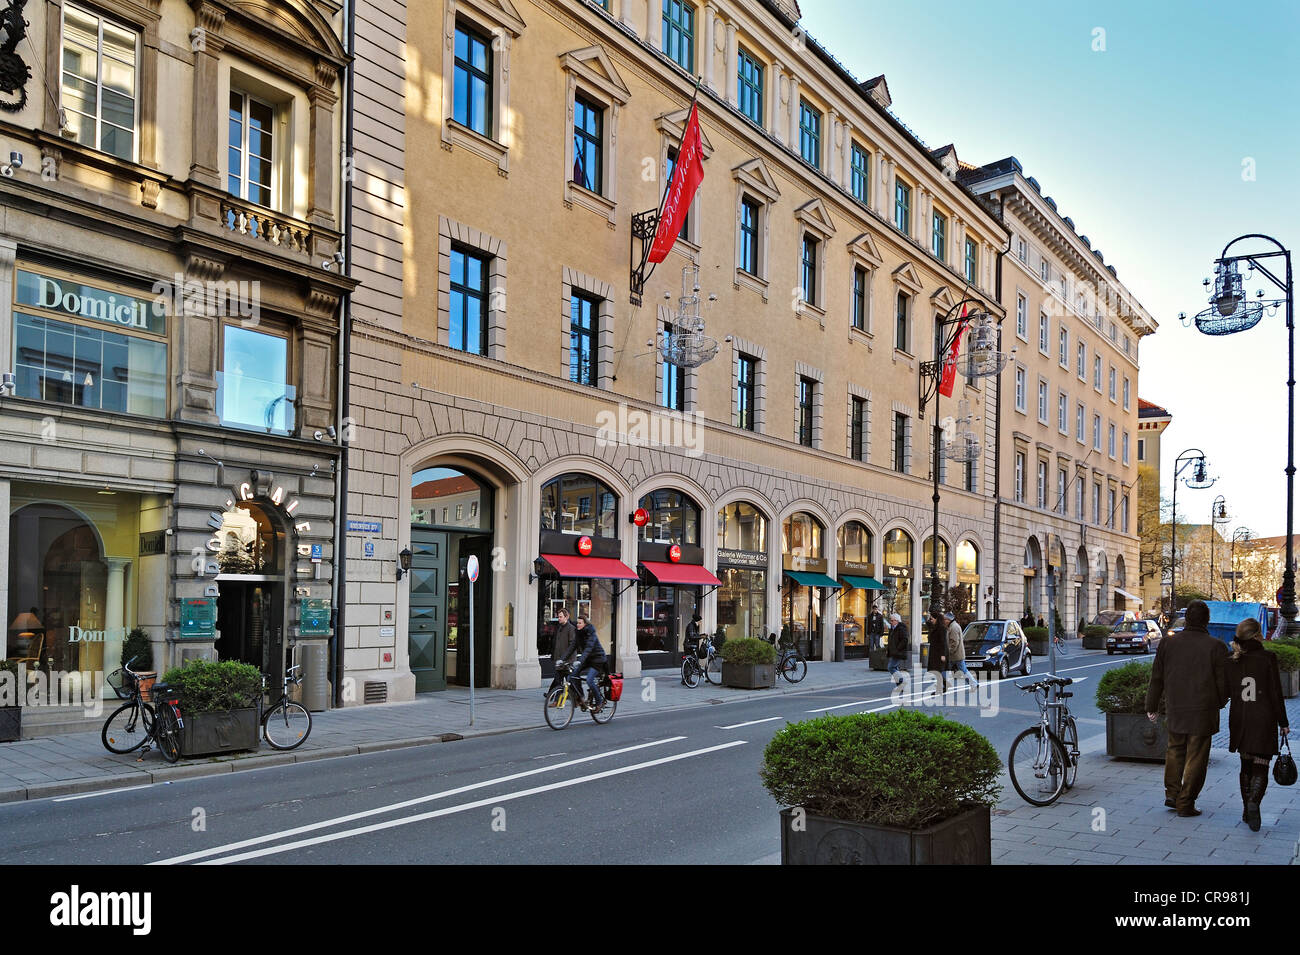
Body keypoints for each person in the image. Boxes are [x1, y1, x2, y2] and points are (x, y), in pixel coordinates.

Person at [1144, 600, 1229, 817]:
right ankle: (1186, 801)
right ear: (1207, 620)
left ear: (1187, 618)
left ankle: (1172, 794)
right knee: (1197, 756)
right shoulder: (1216, 646)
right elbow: (1223, 683)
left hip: (1176, 706)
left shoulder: (1167, 644)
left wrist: (1151, 705)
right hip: (1204, 709)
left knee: (1175, 749)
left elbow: (1157, 678)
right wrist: (1220, 702)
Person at [1225, 617, 1291, 831]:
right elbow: (1274, 692)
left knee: (1245, 765)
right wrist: (1283, 721)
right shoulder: (1267, 657)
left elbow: (1226, 691)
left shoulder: (1232, 659)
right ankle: (1254, 803)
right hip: (1263, 718)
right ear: (1256, 635)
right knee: (1261, 765)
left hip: (1240, 718)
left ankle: (1247, 810)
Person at [563, 615, 608, 708]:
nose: (578, 625)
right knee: (572, 676)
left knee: (589, 680)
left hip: (598, 659)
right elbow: (571, 647)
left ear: (585, 624)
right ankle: (581, 697)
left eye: (580, 623)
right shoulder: (579, 633)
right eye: (577, 623)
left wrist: (580, 661)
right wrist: (561, 659)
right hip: (587, 659)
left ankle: (599, 702)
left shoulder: (591, 633)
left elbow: (588, 649)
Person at [546, 607, 577, 697]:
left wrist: (566, 658)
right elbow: (557, 644)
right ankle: (555, 699)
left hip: (568, 661)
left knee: (570, 682)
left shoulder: (571, 628)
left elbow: (572, 645)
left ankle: (578, 698)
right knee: (558, 680)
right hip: (560, 661)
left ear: (566, 617)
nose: (558, 618)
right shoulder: (559, 628)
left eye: (560, 617)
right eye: (558, 617)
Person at [946, 611, 976, 688]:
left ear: (948, 620)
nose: (944, 621)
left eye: (944, 619)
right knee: (961, 670)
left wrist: (949, 651)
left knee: (961, 670)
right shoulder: (953, 626)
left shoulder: (953, 627)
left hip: (955, 654)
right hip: (956, 654)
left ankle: (973, 683)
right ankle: (973, 683)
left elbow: (954, 642)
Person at [926, 610, 948, 695]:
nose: (930, 620)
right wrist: (930, 620)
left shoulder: (941, 628)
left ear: (936, 619)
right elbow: (928, 624)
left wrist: (943, 654)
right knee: (937, 671)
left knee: (938, 671)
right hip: (935, 653)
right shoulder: (935, 627)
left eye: (932, 619)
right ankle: (944, 686)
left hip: (939, 653)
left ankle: (941, 688)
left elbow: (943, 643)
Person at [886, 612, 909, 683]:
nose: (891, 622)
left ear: (897, 621)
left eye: (892, 621)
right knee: (895, 667)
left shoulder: (901, 628)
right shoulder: (892, 629)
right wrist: (888, 650)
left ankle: (902, 681)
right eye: (890, 620)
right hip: (893, 651)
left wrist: (898, 648)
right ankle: (900, 684)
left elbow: (905, 640)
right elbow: (890, 640)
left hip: (898, 652)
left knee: (891, 667)